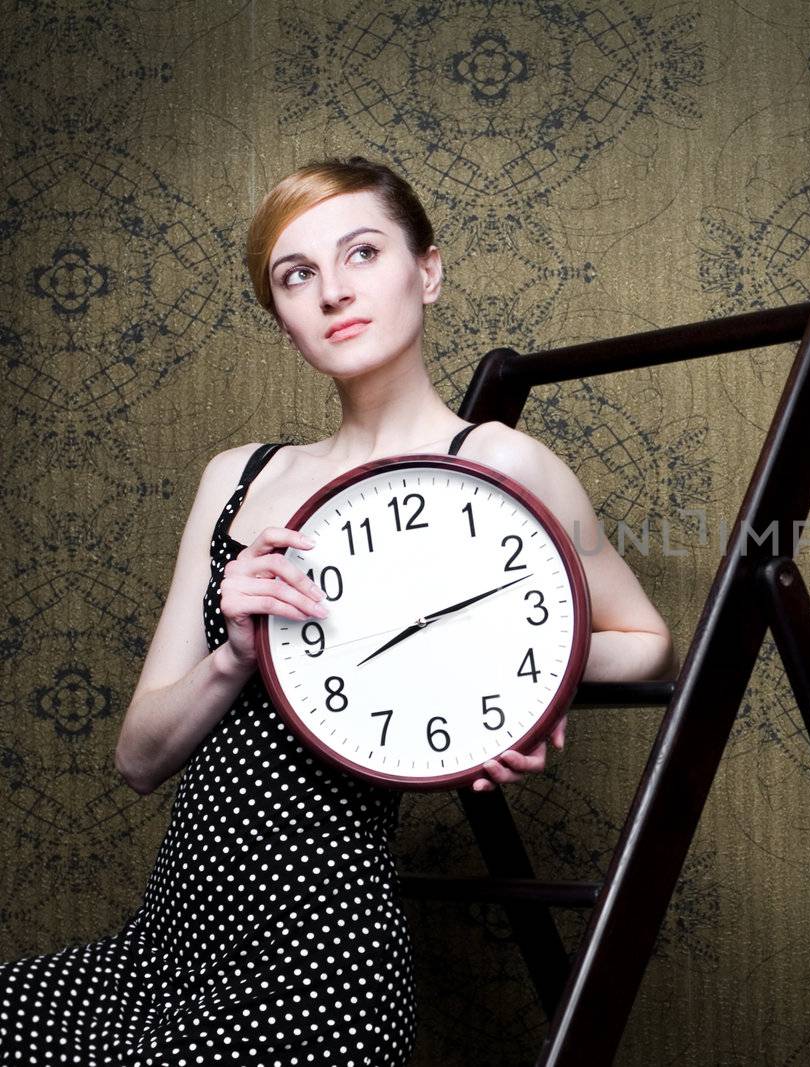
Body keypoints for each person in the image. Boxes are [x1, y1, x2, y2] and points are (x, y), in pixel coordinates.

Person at [0, 156, 676, 1064]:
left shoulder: (501, 464)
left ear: (426, 271)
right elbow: (136, 758)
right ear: (283, 320)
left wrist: (527, 675)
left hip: (317, 951)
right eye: (297, 274)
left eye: (362, 252)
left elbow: (645, 640)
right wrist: (235, 654)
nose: (332, 291)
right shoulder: (239, 477)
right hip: (166, 938)